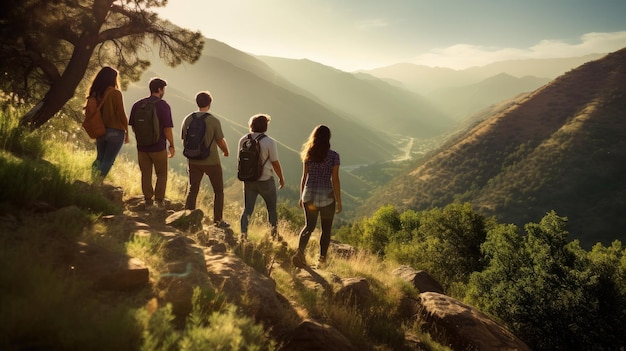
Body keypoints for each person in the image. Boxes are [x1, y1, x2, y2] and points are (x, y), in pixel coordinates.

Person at [292, 125, 342, 268]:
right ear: (328, 138)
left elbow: (304, 177)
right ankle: (321, 260)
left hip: (309, 195)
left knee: (309, 226)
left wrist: (302, 196)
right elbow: (335, 179)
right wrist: (339, 201)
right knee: (326, 230)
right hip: (327, 196)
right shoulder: (334, 156)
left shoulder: (308, 154)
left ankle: (300, 253)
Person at [181, 91, 230, 227]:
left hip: (193, 161)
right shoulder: (213, 121)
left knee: (193, 188)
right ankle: (218, 221)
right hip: (211, 161)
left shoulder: (188, 119)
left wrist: (193, 154)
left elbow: (184, 141)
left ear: (197, 102)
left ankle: (187, 216)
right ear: (209, 104)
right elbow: (220, 141)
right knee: (218, 191)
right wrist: (226, 151)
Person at [129, 77, 175, 209]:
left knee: (146, 173)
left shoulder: (138, 104)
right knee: (161, 174)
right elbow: (167, 129)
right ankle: (159, 201)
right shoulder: (163, 105)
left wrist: (142, 138)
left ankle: (148, 200)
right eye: (163, 89)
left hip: (142, 147)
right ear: (159, 90)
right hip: (158, 147)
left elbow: (133, 126)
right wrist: (171, 145)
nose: (164, 91)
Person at [238, 114, 285, 241]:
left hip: (248, 180)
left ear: (251, 125)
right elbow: (275, 162)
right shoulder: (269, 142)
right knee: (272, 209)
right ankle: (274, 236)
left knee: (247, 210)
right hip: (265, 180)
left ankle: (243, 236)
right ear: (265, 127)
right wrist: (281, 177)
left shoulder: (243, 140)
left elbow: (241, 160)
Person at [88, 66, 129, 182]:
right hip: (116, 131)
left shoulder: (95, 93)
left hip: (100, 130)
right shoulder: (115, 93)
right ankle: (97, 183)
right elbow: (121, 113)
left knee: (100, 158)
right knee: (108, 160)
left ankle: (93, 180)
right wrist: (127, 132)